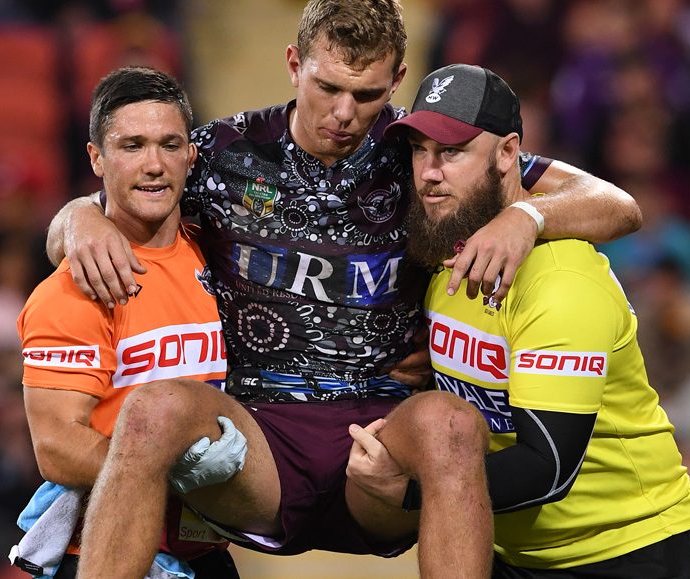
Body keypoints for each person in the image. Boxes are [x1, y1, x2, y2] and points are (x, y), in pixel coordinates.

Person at [48, 0, 641, 576]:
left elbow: (615, 204)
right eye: (327, 87)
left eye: (366, 95)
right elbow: (115, 194)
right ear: (294, 64)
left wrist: (526, 217)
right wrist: (79, 219)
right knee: (152, 410)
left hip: (381, 442)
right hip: (261, 441)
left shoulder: (423, 153)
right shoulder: (225, 152)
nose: (343, 113)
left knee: (452, 424)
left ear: (397, 81)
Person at [347, 63, 690, 578]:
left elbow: (549, 468)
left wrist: (407, 492)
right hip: (511, 548)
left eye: (452, 151)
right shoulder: (449, 240)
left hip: (626, 548)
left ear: (508, 153)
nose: (429, 172)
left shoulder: (560, 280)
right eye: (419, 150)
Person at [15, 67, 241, 579]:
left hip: (204, 553)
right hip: (105, 553)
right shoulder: (74, 289)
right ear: (97, 158)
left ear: (191, 155)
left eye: (169, 145)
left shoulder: (222, 259)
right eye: (132, 146)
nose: (154, 165)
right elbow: (56, 448)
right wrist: (176, 477)